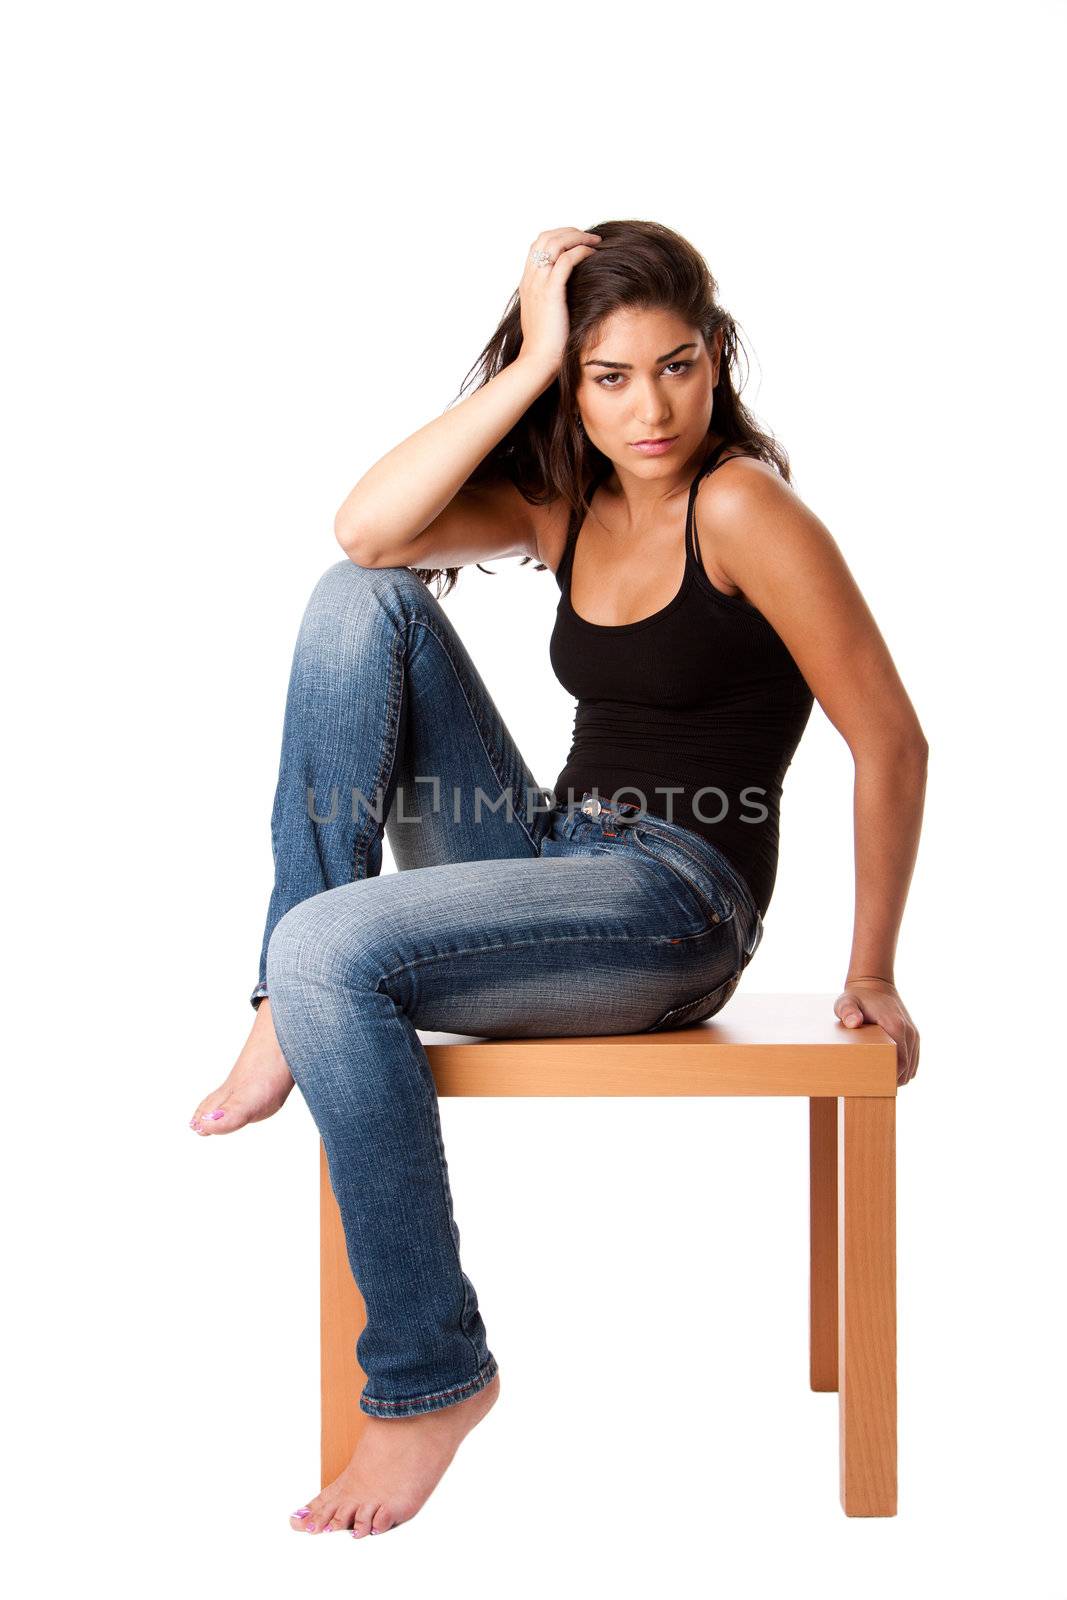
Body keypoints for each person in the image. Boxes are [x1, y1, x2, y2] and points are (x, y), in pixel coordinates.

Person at [189, 221, 928, 1538]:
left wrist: (871, 968)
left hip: (670, 904)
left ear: (719, 360)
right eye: (610, 377)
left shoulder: (745, 508)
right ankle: (280, 986)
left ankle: (426, 1380)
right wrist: (527, 366)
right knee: (355, 599)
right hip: (546, 851)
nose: (652, 407)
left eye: (679, 366)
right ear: (574, 390)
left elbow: (889, 735)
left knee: (326, 951)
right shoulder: (564, 504)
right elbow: (367, 529)